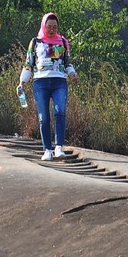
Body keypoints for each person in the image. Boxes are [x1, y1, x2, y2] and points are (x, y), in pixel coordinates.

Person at [20, 12, 77, 160]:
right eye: (49, 26)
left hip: (59, 81)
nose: (51, 29)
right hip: (40, 82)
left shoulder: (63, 42)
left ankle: (59, 147)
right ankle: (47, 150)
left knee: (60, 111)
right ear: (44, 26)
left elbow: (67, 62)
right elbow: (29, 63)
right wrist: (22, 81)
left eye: (55, 27)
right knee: (43, 117)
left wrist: (72, 73)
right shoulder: (36, 42)